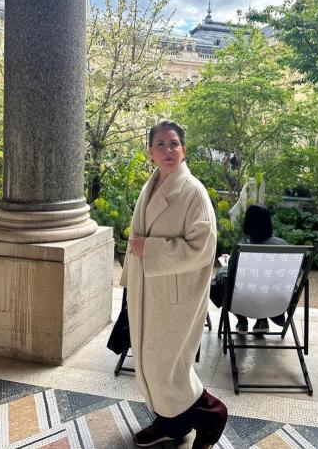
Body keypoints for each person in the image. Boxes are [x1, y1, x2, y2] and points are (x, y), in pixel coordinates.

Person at [120, 120, 227, 449]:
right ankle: (172, 422)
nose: (168, 150)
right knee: (149, 361)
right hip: (148, 291)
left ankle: (212, 414)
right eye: (161, 144)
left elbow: (203, 248)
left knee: (168, 366)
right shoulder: (151, 185)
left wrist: (151, 249)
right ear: (151, 152)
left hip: (177, 296)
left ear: (184, 149)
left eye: (174, 144)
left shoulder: (193, 191)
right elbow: (137, 238)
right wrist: (130, 280)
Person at [226, 203, 288, 336]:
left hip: (243, 301)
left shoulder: (241, 247)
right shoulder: (283, 245)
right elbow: (293, 276)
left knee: (222, 280)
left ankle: (242, 321)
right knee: (264, 286)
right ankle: (262, 320)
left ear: (247, 223)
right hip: (275, 301)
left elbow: (230, 275)